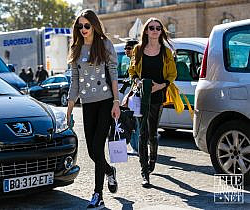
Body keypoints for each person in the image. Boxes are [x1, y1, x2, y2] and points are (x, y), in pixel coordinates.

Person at [66, 9, 120, 209]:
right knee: (91, 152)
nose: (83, 29)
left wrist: (116, 101)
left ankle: (98, 194)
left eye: (86, 25)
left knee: (98, 147)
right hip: (87, 104)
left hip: (105, 102)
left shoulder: (105, 44)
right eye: (79, 26)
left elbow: (113, 74)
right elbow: (74, 81)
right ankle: (109, 171)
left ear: (94, 26)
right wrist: (70, 109)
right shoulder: (76, 49)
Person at [128, 17, 177, 187]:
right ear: (146, 31)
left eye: (158, 28)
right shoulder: (138, 50)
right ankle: (144, 171)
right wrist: (137, 81)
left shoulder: (166, 52)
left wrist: (161, 86)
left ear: (161, 31)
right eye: (151, 28)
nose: (155, 30)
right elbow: (132, 71)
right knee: (142, 133)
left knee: (153, 133)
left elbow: (172, 75)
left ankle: (153, 159)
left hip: (158, 96)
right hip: (142, 96)